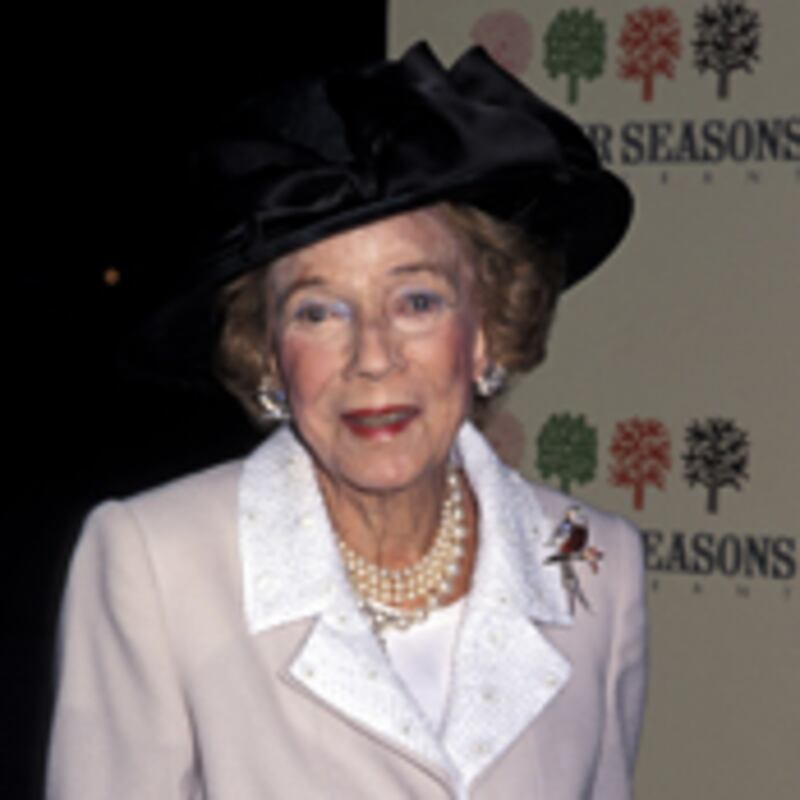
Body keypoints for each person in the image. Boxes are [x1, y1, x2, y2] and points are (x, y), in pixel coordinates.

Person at [47, 43, 647, 799]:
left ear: (487, 332)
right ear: (268, 354)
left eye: (417, 301)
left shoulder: (598, 565)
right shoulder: (156, 564)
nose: (372, 357)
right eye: (319, 312)